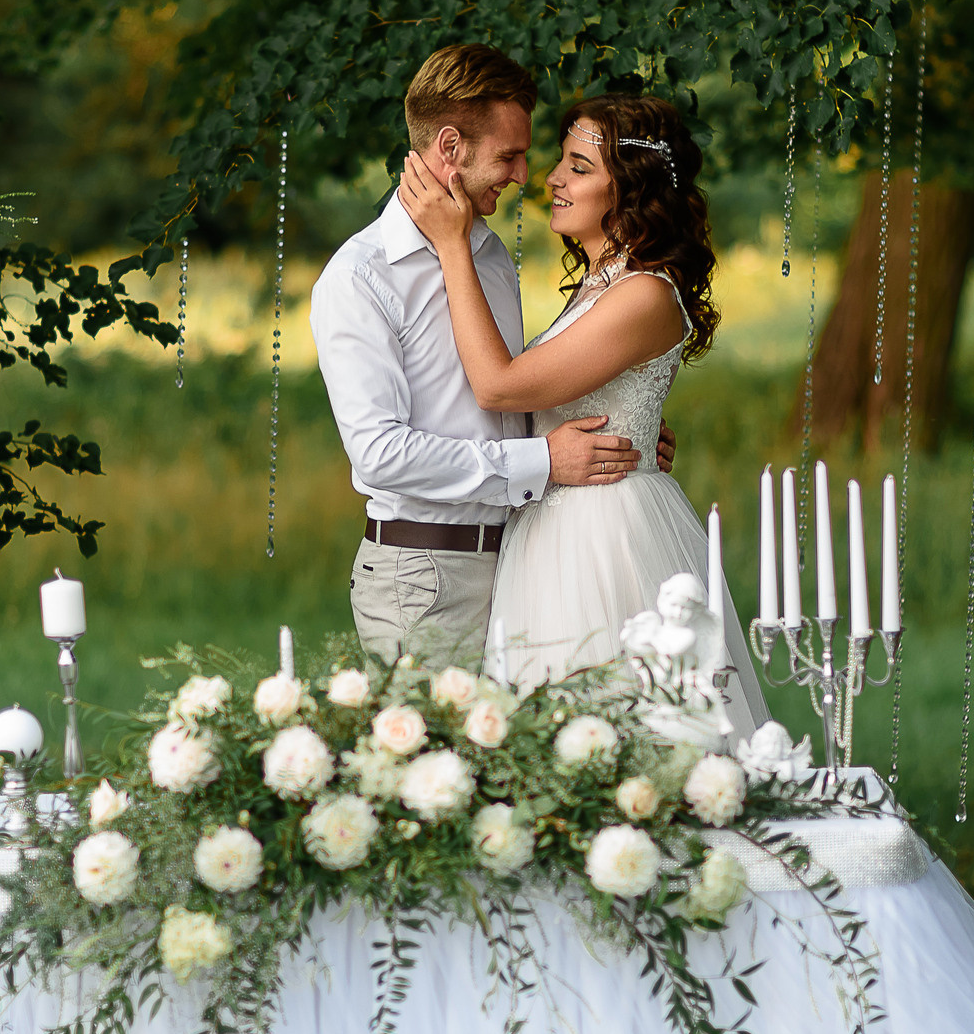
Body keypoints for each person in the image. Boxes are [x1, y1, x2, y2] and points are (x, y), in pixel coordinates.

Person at [396, 91, 770, 730]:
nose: (551, 180)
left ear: (628, 189)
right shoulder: (603, 285)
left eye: (577, 166)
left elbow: (499, 386)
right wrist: (639, 428)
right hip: (554, 520)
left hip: (604, 533)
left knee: (620, 726)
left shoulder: (644, 293)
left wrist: (452, 244)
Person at [309, 44, 662, 666]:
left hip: (523, 560)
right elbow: (380, 454)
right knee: (435, 763)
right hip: (423, 578)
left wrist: (616, 429)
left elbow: (507, 399)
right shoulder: (359, 279)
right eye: (509, 155)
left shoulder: (490, 255)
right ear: (450, 148)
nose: (526, 175)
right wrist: (545, 460)